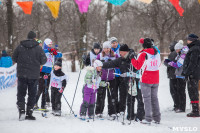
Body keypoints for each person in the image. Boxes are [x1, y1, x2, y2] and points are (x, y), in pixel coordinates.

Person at [102, 44, 145, 122]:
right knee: (129, 99)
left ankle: (140, 115)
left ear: (125, 52)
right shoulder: (120, 60)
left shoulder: (132, 57)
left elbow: (138, 67)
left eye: (121, 52)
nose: (120, 53)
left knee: (139, 98)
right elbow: (111, 64)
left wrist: (132, 73)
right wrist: (101, 65)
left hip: (136, 81)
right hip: (128, 83)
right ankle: (130, 115)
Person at [12, 31, 47, 121]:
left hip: (22, 74)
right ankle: (29, 113)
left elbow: (14, 58)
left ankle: (22, 111)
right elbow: (44, 61)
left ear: (27, 37)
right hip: (33, 75)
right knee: (32, 94)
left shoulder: (20, 46)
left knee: (21, 94)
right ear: (35, 38)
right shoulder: (38, 48)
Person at [131, 38, 161, 125]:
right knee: (154, 99)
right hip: (155, 78)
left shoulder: (143, 53)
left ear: (143, 45)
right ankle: (157, 118)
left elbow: (137, 66)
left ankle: (148, 119)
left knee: (147, 99)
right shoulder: (157, 53)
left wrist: (132, 58)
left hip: (146, 78)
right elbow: (159, 64)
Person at [95, 41, 118, 120]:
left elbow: (118, 64)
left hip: (112, 78)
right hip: (102, 78)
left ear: (110, 48)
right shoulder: (100, 55)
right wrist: (101, 65)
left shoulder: (115, 55)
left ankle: (112, 113)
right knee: (100, 96)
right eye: (105, 48)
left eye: (108, 48)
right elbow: (95, 65)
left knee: (111, 96)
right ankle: (98, 112)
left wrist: (112, 63)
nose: (106, 50)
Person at [35, 38, 57, 109]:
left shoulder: (51, 51)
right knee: (40, 88)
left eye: (51, 44)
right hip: (42, 71)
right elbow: (40, 51)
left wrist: (56, 53)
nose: (50, 46)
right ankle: (34, 103)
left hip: (48, 72)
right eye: (49, 44)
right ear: (46, 45)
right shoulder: (42, 50)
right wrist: (48, 50)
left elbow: (59, 55)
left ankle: (43, 104)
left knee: (46, 89)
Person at [167, 40, 189, 113]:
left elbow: (178, 64)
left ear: (180, 48)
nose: (176, 51)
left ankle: (182, 107)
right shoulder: (180, 54)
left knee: (181, 92)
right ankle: (180, 106)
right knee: (180, 91)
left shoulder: (183, 54)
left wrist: (170, 63)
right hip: (179, 75)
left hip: (182, 75)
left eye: (177, 49)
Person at [182, 34, 200, 117]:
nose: (187, 41)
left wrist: (187, 72)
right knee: (192, 91)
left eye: (188, 39)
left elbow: (193, 62)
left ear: (192, 40)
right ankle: (195, 109)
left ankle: (195, 110)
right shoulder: (193, 48)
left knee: (193, 92)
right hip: (193, 73)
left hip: (193, 74)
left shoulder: (195, 49)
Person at [164, 41, 178, 111]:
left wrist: (166, 62)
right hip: (176, 74)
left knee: (174, 91)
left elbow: (169, 63)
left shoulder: (173, 53)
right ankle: (178, 105)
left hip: (173, 75)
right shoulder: (177, 53)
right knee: (176, 91)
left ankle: (177, 105)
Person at [109, 37, 121, 114]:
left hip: (121, 73)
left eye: (116, 42)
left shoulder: (120, 49)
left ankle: (120, 109)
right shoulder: (109, 50)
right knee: (114, 93)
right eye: (113, 43)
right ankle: (114, 109)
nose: (115, 44)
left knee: (122, 93)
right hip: (113, 74)